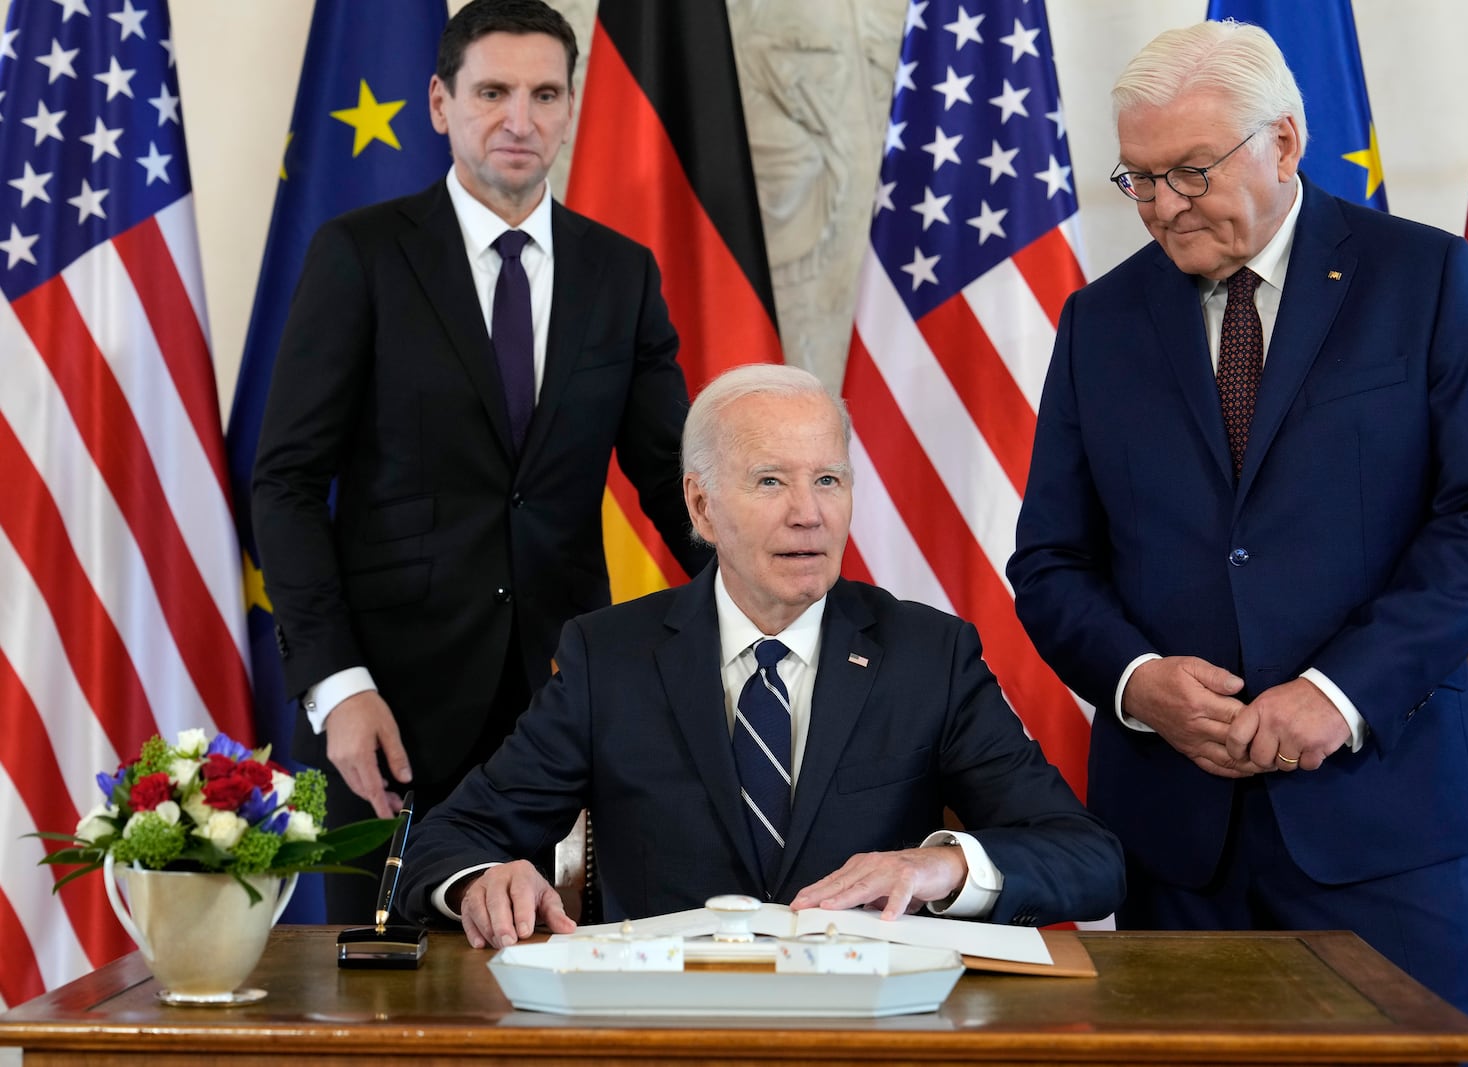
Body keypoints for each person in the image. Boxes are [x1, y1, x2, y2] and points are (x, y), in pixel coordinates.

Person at [1007, 21, 1468, 1029]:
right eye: (1139, 178)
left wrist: (1338, 693)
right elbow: (1051, 561)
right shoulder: (1099, 323)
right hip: (1176, 838)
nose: (1161, 206)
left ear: (1283, 143)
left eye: (1190, 171)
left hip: (1382, 818)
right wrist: (1135, 682)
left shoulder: (1421, 279)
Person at [251, 0, 709, 922]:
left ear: (570, 106)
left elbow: (675, 481)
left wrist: (772, 610)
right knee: (389, 1007)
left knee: (561, 990)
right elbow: (288, 482)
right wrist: (339, 688)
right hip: (392, 716)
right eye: (493, 91)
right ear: (438, 102)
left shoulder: (621, 273)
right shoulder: (362, 255)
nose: (519, 119)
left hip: (568, 706)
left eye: (545, 93)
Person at [400, 364, 1125, 945]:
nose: (808, 512)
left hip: (869, 1042)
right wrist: (479, 881)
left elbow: (1089, 860)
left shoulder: (927, 655)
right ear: (702, 505)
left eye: (828, 480)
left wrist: (940, 863)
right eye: (772, 480)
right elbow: (449, 840)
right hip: (663, 1037)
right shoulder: (610, 657)